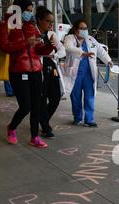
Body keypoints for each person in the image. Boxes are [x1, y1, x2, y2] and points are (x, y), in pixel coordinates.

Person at [0, 0, 55, 148]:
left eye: (31, 10)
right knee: (25, 106)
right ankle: (11, 127)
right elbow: (4, 47)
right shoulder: (6, 25)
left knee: (37, 106)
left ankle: (34, 136)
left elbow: (39, 50)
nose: (30, 13)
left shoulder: (32, 27)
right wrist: (25, 43)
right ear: (17, 10)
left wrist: (49, 46)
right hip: (18, 71)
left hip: (36, 71)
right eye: (28, 10)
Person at [63, 19, 113, 127]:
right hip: (74, 73)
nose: (84, 30)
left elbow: (101, 51)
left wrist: (108, 60)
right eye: (82, 28)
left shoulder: (90, 39)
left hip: (88, 73)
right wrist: (83, 53)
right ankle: (77, 118)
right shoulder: (70, 38)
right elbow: (68, 48)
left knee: (89, 96)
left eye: (85, 28)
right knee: (75, 96)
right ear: (76, 30)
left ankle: (89, 119)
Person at [35, 6, 66, 139]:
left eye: (52, 22)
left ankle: (42, 120)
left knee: (55, 97)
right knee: (41, 99)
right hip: (38, 68)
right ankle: (46, 127)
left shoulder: (51, 35)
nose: (50, 24)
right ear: (39, 20)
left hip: (51, 66)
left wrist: (55, 56)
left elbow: (62, 50)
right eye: (48, 21)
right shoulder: (33, 33)